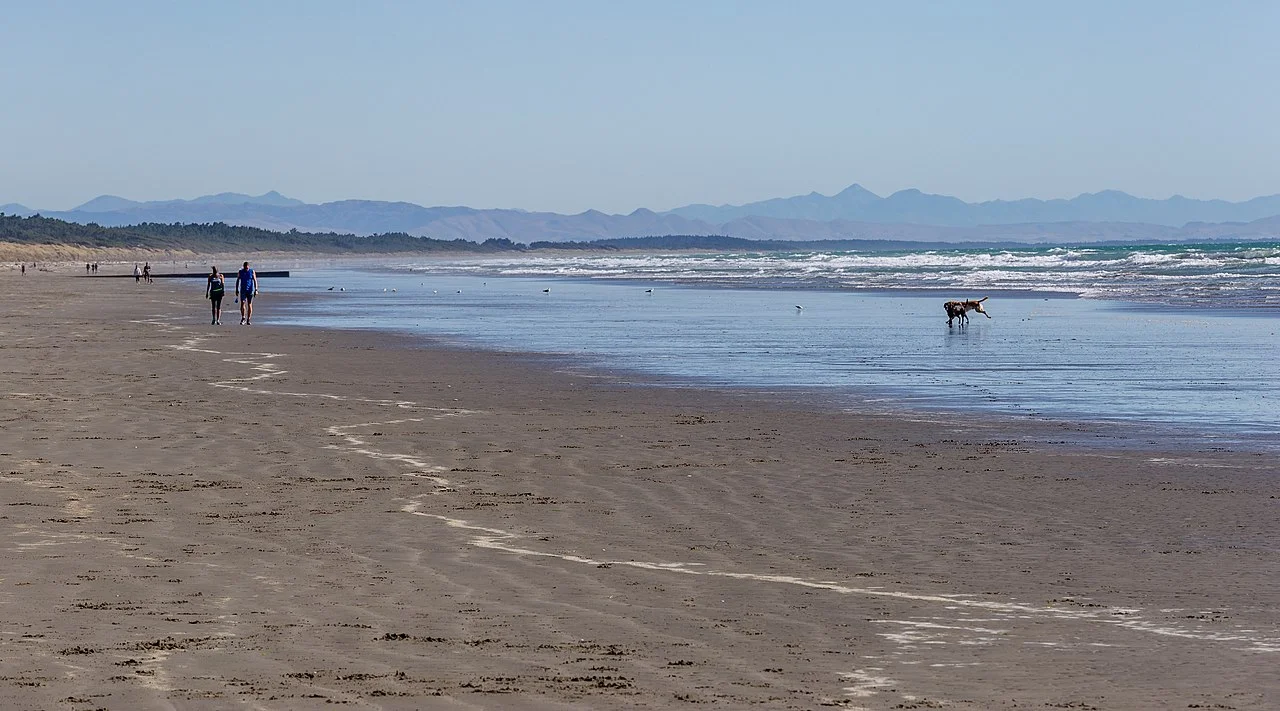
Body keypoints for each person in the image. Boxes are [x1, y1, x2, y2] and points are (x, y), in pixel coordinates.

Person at [235, 261, 258, 325]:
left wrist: (256, 289)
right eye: (245, 268)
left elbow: (255, 280)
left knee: (249, 304)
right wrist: (236, 289)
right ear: (243, 267)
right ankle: (243, 318)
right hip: (243, 290)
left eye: (247, 268)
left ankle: (248, 319)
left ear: (248, 267)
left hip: (250, 290)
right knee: (242, 303)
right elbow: (237, 280)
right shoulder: (241, 272)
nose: (246, 269)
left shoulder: (251, 271)